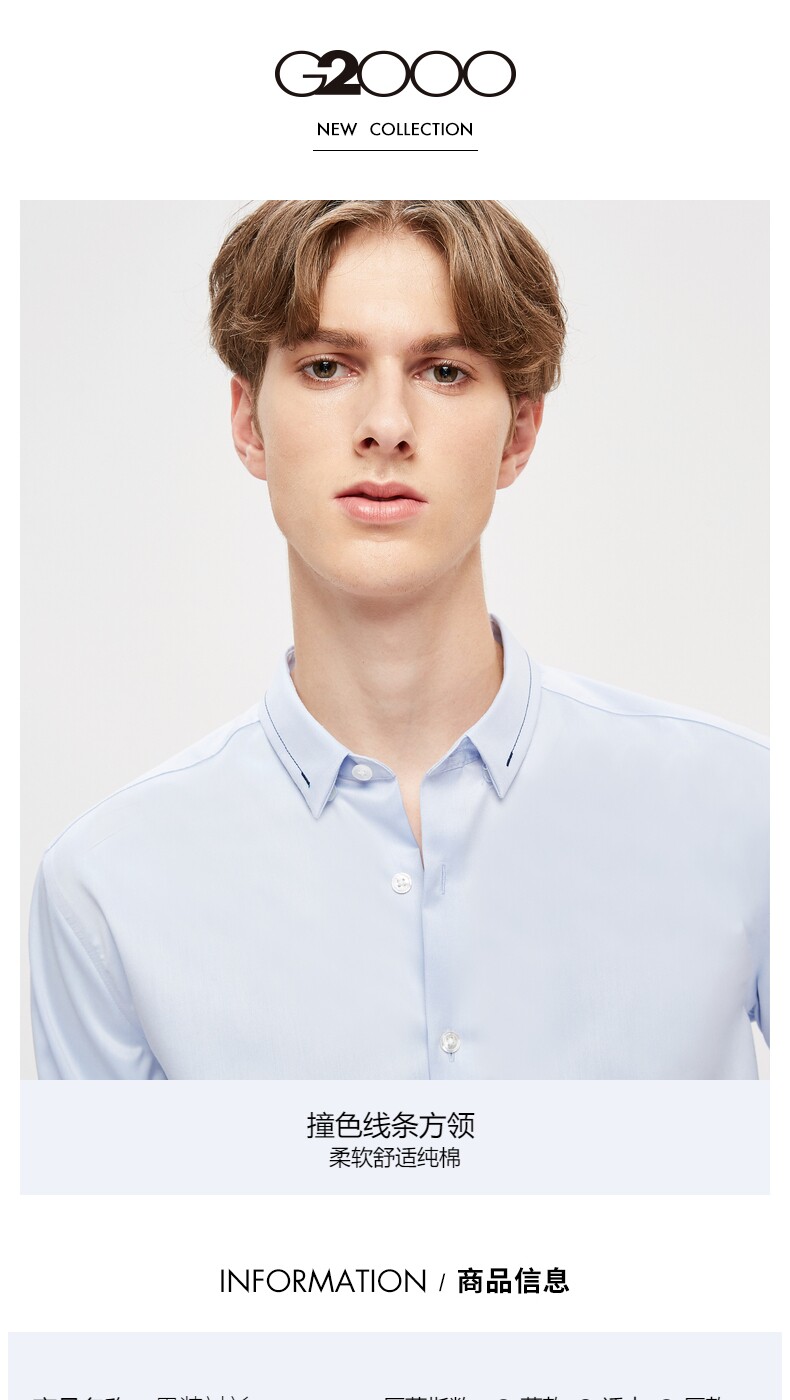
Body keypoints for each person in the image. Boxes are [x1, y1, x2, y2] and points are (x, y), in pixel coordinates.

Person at [29, 200, 768, 1079]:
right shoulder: (108, 887)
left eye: (444, 370)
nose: (386, 424)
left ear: (520, 433)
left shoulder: (746, 811)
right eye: (327, 366)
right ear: (249, 423)